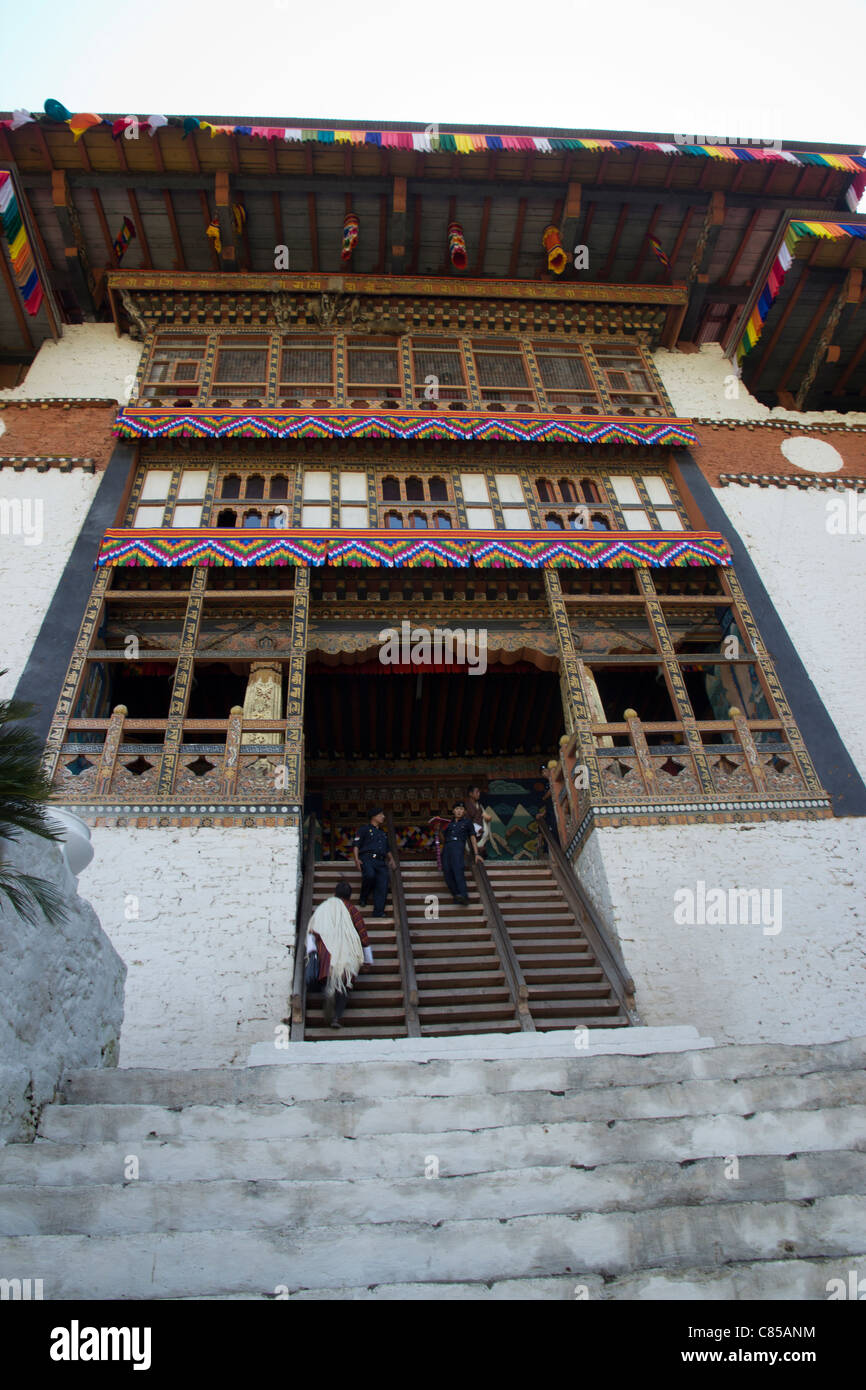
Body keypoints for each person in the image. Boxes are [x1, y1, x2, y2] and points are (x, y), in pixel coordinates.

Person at [306, 878, 374, 1028]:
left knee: (328, 976)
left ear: (334, 893)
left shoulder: (323, 908)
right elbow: (362, 934)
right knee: (344, 983)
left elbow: (312, 930)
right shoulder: (352, 910)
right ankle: (336, 1016)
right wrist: (368, 959)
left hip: (326, 950)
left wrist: (311, 951)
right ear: (349, 896)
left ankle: (328, 992)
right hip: (347, 952)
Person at [352, 808, 395, 919]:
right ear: (373, 816)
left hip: (380, 861)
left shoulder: (382, 833)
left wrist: (391, 859)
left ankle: (378, 912)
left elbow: (386, 849)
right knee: (370, 875)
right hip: (367, 858)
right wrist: (356, 859)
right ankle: (363, 897)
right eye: (381, 814)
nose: (383, 817)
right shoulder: (364, 829)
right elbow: (356, 845)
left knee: (383, 884)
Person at [441, 800, 480, 906]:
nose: (459, 811)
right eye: (457, 809)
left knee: (458, 870)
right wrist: (437, 829)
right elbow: (442, 838)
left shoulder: (467, 822)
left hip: (458, 846)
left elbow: (472, 837)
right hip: (447, 847)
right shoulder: (449, 824)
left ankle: (464, 895)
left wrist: (476, 854)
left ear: (464, 812)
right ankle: (457, 895)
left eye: (461, 809)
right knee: (447, 871)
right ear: (453, 811)